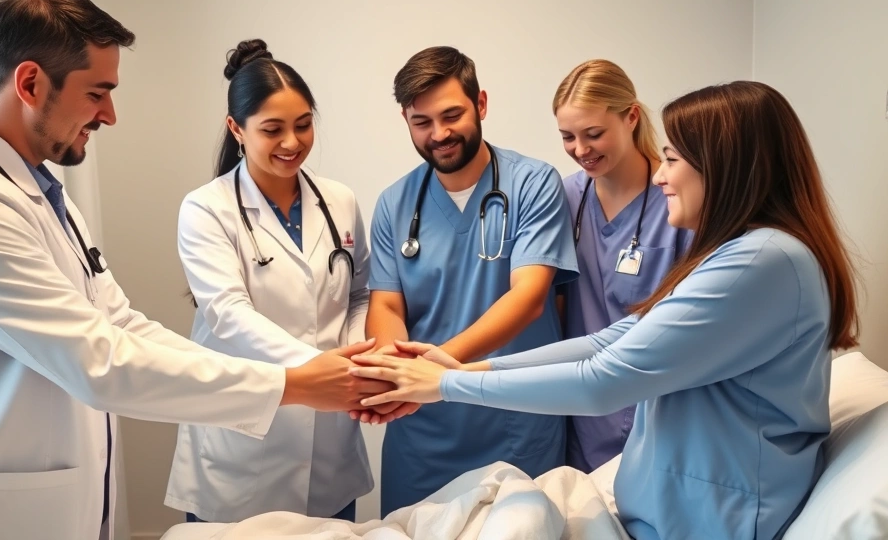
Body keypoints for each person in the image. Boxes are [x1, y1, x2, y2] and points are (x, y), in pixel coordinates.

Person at [0, 0, 387, 540]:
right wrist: (293, 383)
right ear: (30, 83)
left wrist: (300, 378)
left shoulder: (36, 192)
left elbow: (123, 324)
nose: (110, 115)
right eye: (97, 93)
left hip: (40, 502)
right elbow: (100, 361)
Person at [350, 81, 860, 540]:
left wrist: (444, 383)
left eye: (673, 159)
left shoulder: (762, 260)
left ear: (729, 168)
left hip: (712, 514)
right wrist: (462, 368)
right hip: (672, 506)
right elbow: (610, 338)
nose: (661, 175)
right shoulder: (742, 252)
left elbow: (602, 379)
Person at [361, 46, 579, 515]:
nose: (438, 134)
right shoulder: (395, 203)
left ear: (480, 104)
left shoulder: (533, 184)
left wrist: (438, 369)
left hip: (514, 421)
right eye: (422, 122)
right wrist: (392, 369)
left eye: (451, 115)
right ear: (406, 120)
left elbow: (529, 297)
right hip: (422, 430)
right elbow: (386, 306)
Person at [165, 39, 372, 523]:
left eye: (303, 125)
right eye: (272, 130)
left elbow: (360, 292)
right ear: (236, 129)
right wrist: (319, 368)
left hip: (329, 448)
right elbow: (227, 313)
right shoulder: (205, 208)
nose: (292, 143)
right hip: (242, 442)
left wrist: (357, 352)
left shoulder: (338, 199)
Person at [552, 59, 693, 472]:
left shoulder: (678, 201)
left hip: (655, 405)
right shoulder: (565, 197)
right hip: (578, 405)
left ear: (631, 116)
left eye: (594, 134)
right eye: (567, 137)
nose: (581, 150)